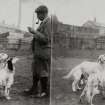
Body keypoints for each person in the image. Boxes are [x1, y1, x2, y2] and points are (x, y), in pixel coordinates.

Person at [23, 5, 53, 98]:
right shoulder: (43, 23)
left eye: (38, 14)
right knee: (36, 71)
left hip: (43, 53)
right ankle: (34, 89)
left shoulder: (48, 23)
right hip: (39, 52)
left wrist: (34, 32)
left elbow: (46, 39)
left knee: (43, 71)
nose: (37, 16)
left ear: (44, 13)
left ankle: (44, 92)